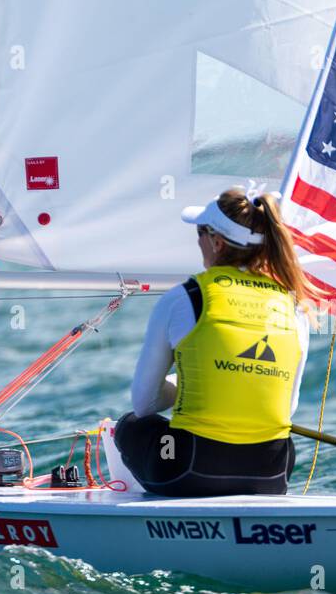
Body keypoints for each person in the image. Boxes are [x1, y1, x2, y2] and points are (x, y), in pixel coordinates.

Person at [114, 189, 314, 497]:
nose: (197, 241)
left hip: (187, 469)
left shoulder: (185, 297)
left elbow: (145, 403)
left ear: (217, 242)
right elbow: (288, 407)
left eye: (200, 233)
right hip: (272, 473)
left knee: (131, 426)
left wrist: (197, 381)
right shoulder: (294, 305)